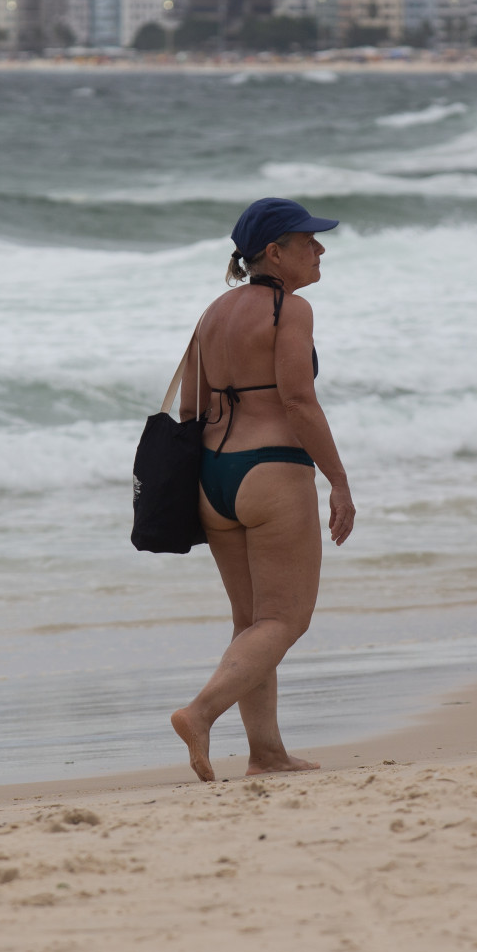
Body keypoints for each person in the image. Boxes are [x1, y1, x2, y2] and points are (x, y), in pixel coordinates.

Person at [169, 198, 354, 782]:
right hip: (271, 470)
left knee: (253, 623)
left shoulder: (214, 312)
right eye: (308, 241)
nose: (320, 249)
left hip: (215, 478)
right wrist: (339, 481)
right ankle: (200, 713)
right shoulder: (289, 309)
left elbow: (192, 408)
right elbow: (298, 401)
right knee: (285, 620)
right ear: (274, 253)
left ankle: (266, 753)